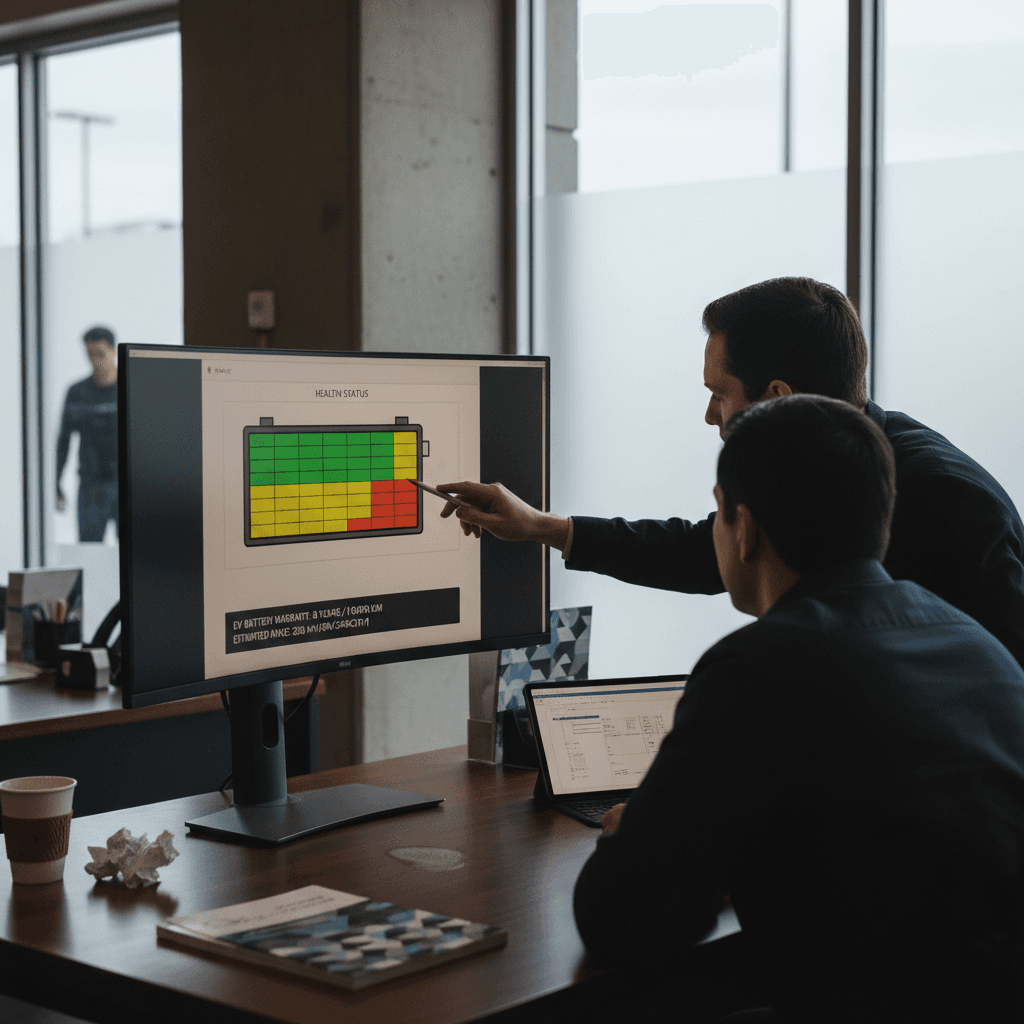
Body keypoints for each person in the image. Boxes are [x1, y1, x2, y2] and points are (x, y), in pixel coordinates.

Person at [572, 395, 1024, 1023]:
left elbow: (622, 922)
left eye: (717, 512)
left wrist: (637, 838)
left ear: (745, 528)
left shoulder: (757, 668)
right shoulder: (973, 642)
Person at [437, 277, 1024, 670]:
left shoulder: (948, 502)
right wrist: (543, 527)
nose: (711, 414)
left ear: (775, 398)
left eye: (721, 393)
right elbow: (710, 554)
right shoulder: (832, 464)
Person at [56, 326, 119, 542]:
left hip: (126, 484)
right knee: (89, 553)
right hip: (91, 487)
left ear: (113, 351)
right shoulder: (77, 392)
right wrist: (56, 483)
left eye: (100, 354)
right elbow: (64, 441)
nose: (96, 361)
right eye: (90, 355)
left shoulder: (130, 387)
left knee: (134, 554)